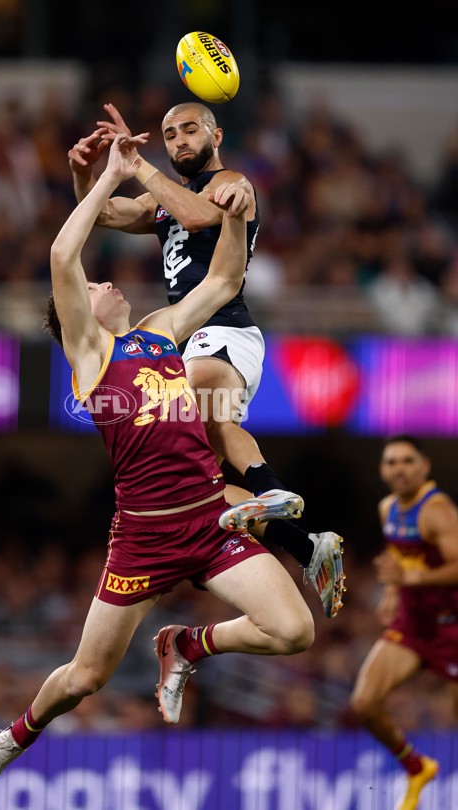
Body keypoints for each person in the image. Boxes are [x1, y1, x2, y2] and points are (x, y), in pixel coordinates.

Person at [0, 133, 316, 785]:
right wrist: (112, 174)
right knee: (87, 677)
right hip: (143, 539)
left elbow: (224, 280)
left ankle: (185, 643)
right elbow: (62, 251)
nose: (104, 283)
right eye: (95, 286)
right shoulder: (90, 356)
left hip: (208, 523)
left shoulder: (156, 331)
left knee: (294, 630)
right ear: (77, 317)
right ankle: (19, 733)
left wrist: (238, 212)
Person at [67, 100, 345, 617]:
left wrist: (138, 166)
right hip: (187, 330)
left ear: (215, 136)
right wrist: (86, 175)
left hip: (224, 324)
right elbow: (103, 213)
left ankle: (272, 492)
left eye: (189, 130)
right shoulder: (163, 199)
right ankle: (305, 545)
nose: (178, 142)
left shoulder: (231, 181)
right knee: (199, 481)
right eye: (170, 135)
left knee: (207, 415)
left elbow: (196, 216)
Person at [349, 434, 458, 810]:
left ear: (424, 466)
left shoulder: (438, 510)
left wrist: (408, 581)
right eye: (392, 462)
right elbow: (401, 554)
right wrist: (394, 593)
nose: (400, 468)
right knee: (364, 703)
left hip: (452, 627)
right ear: (382, 470)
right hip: (414, 624)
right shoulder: (387, 509)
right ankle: (416, 767)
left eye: (408, 461)